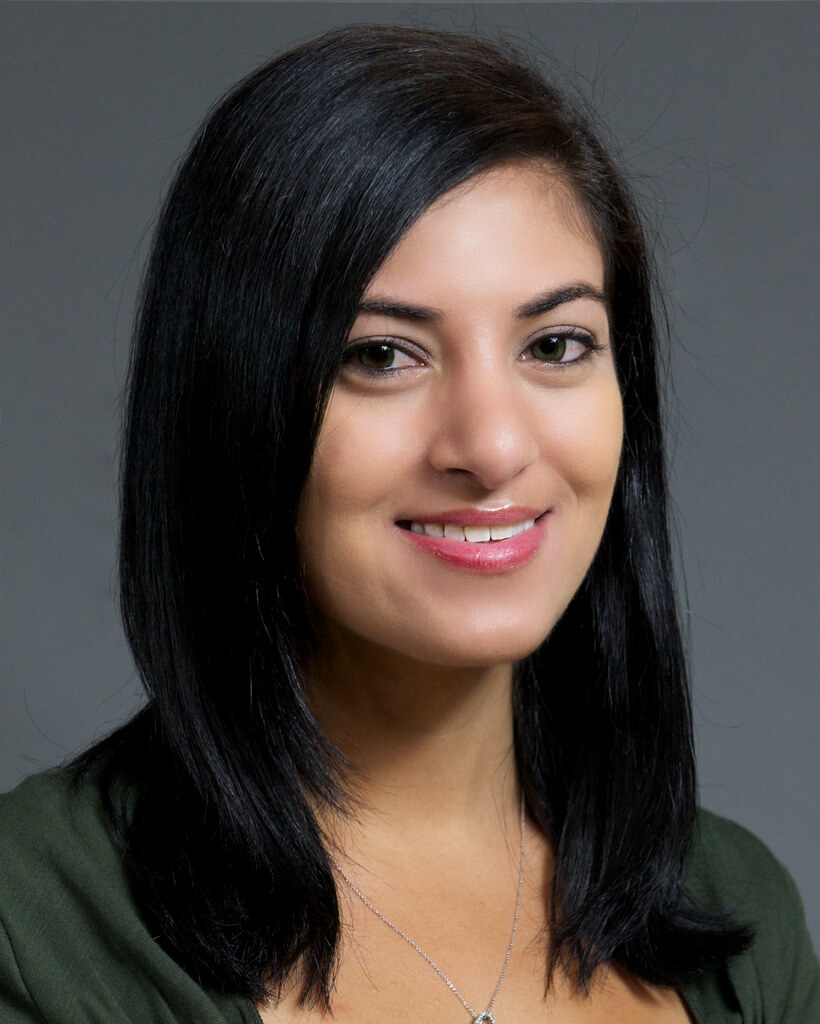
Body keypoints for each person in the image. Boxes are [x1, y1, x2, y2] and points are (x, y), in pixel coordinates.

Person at [0, 24, 817, 1024]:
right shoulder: (36, 925)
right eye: (383, 355)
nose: (491, 445)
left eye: (555, 343)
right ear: (235, 409)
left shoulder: (738, 911)